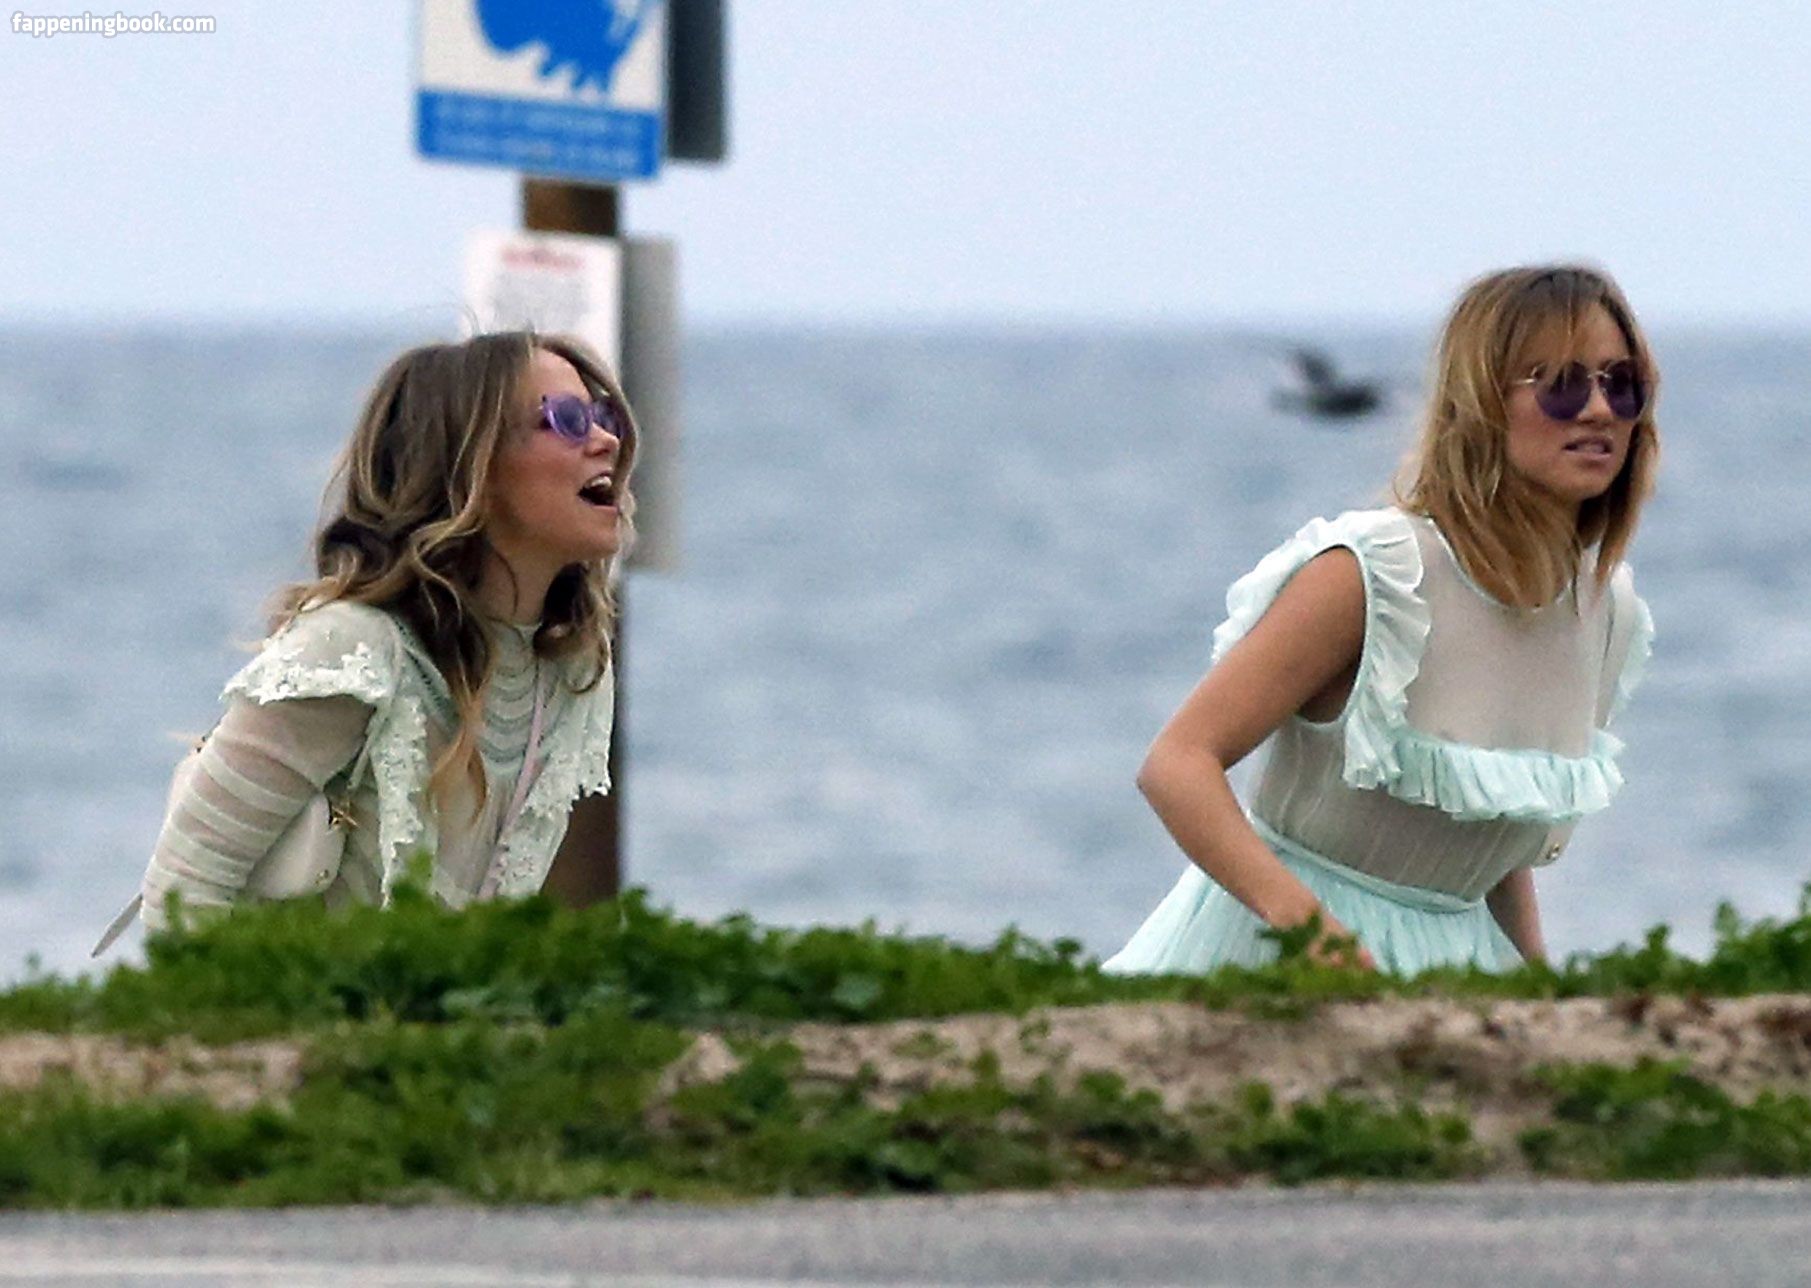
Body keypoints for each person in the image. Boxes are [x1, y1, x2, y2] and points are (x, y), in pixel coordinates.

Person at [1104, 265, 1658, 977]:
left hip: (1463, 970)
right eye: (1560, 383)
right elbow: (1177, 764)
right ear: (1483, 401)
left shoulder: (1604, 611)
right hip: (1281, 959)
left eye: (1622, 383)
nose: (1599, 410)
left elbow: (1485, 836)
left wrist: (1536, 989)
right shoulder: (1372, 575)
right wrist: (1315, 938)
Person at [134, 330, 635, 930]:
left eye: (602, 417)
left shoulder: (573, 668)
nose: (606, 440)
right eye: (568, 420)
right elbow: (181, 890)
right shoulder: (350, 652)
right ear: (470, 465)